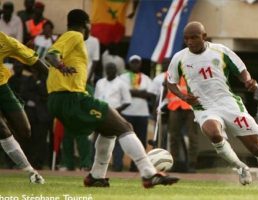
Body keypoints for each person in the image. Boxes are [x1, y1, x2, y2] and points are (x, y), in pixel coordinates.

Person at [45, 9, 178, 188]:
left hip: (60, 99)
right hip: (71, 97)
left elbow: (49, 59)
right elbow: (51, 54)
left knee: (108, 130)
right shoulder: (74, 35)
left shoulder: (68, 39)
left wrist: (59, 68)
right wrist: (61, 65)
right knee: (124, 127)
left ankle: (96, 176)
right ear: (86, 24)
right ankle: (149, 174)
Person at [166, 21, 258, 191]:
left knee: (256, 148)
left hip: (228, 103)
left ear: (204, 36)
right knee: (214, 133)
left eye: (194, 37)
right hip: (204, 106)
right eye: (186, 38)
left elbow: (240, 69)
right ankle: (241, 167)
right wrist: (183, 96)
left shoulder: (221, 51)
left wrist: (247, 81)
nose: (190, 42)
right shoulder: (179, 57)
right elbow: (170, 82)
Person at [0, 31, 47, 184]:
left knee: (25, 130)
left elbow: (34, 61)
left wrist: (56, 77)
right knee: (3, 131)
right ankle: (31, 173)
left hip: (2, 88)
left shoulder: (6, 41)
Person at [119, 55, 154, 172]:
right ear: (129, 64)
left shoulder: (146, 78)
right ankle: (119, 165)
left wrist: (131, 92)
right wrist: (140, 93)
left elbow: (149, 94)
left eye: (137, 62)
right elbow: (123, 92)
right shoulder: (123, 77)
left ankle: (136, 167)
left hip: (142, 114)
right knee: (123, 139)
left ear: (140, 64)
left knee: (141, 141)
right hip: (126, 113)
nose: (135, 64)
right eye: (133, 62)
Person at [94, 62, 131, 171]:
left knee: (118, 141)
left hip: (116, 114)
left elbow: (127, 101)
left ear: (116, 70)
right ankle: (95, 165)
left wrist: (116, 111)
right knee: (97, 141)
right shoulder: (100, 82)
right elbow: (95, 99)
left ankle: (117, 165)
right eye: (108, 68)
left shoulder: (121, 83)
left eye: (112, 68)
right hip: (100, 114)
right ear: (105, 70)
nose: (110, 70)